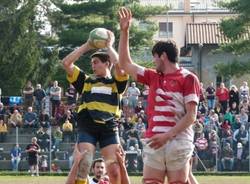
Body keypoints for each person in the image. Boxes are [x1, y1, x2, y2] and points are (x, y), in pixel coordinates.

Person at [118, 7, 200, 184]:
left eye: (154, 57)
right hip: (155, 140)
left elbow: (191, 116)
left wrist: (167, 135)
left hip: (178, 141)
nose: (153, 61)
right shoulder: (152, 76)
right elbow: (124, 63)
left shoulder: (188, 78)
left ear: (163, 56)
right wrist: (124, 32)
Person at [62, 29, 128, 184]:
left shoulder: (116, 82)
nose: (93, 66)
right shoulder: (85, 80)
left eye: (96, 62)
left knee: (114, 169)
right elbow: (66, 63)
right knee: (84, 164)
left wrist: (109, 46)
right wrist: (87, 45)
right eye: (92, 63)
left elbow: (121, 67)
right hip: (87, 127)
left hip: (109, 127)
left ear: (107, 63)